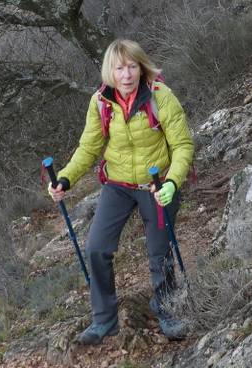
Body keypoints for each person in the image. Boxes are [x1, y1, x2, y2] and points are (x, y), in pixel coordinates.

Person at [49, 39, 194, 346]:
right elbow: (88, 147)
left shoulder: (160, 97)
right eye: (119, 68)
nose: (126, 75)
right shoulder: (101, 102)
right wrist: (64, 179)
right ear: (110, 72)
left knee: (159, 251)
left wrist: (171, 183)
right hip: (117, 185)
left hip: (157, 184)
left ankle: (166, 308)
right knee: (97, 248)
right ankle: (104, 319)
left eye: (131, 67)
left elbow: (182, 145)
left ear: (141, 68)